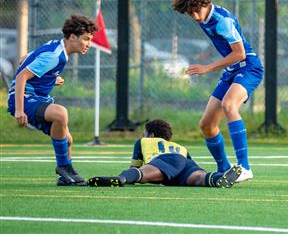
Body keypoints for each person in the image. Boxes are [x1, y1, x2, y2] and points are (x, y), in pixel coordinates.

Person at [156, 0, 264, 182]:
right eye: (190, 13)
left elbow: (239, 54)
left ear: (205, 4)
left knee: (229, 104)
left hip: (249, 67)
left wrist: (208, 67)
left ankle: (244, 167)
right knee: (206, 125)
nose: (196, 16)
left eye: (197, 11)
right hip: (232, 70)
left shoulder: (223, 22)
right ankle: (225, 169)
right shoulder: (197, 6)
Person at [7, 14, 98, 186]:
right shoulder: (55, 56)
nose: (89, 44)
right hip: (24, 99)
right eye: (86, 39)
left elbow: (23, 59)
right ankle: (64, 167)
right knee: (60, 114)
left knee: (67, 139)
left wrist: (48, 79)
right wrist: (19, 109)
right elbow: (21, 77)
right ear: (72, 37)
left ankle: (65, 177)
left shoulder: (55, 46)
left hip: (36, 98)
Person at [88, 119, 242, 188]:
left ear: (152, 135)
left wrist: (129, 175)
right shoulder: (180, 146)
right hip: (184, 162)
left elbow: (134, 166)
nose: (143, 136)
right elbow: (187, 163)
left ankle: (120, 179)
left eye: (144, 133)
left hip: (164, 160)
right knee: (199, 178)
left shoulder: (144, 142)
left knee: (140, 173)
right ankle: (218, 178)